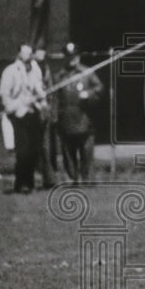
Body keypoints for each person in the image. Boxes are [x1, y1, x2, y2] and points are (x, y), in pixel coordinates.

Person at [0, 43, 49, 194]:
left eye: (29, 53)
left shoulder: (35, 70)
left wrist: (42, 100)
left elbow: (39, 88)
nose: (27, 56)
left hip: (32, 112)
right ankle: (20, 183)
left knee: (34, 149)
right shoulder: (11, 71)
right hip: (17, 114)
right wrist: (12, 107)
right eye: (24, 53)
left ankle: (30, 181)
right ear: (19, 54)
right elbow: (4, 93)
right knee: (23, 150)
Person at [55, 42, 103, 184]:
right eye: (69, 56)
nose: (72, 59)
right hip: (66, 118)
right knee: (68, 152)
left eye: (74, 56)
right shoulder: (59, 76)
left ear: (78, 57)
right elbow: (54, 97)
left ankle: (87, 178)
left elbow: (100, 88)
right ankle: (72, 178)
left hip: (84, 117)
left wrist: (88, 93)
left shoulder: (87, 73)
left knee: (86, 151)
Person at [33, 48, 59, 189]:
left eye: (44, 52)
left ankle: (49, 179)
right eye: (39, 52)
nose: (42, 55)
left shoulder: (46, 68)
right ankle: (40, 177)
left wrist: (51, 111)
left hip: (45, 112)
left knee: (47, 146)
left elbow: (51, 90)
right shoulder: (29, 69)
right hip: (32, 111)